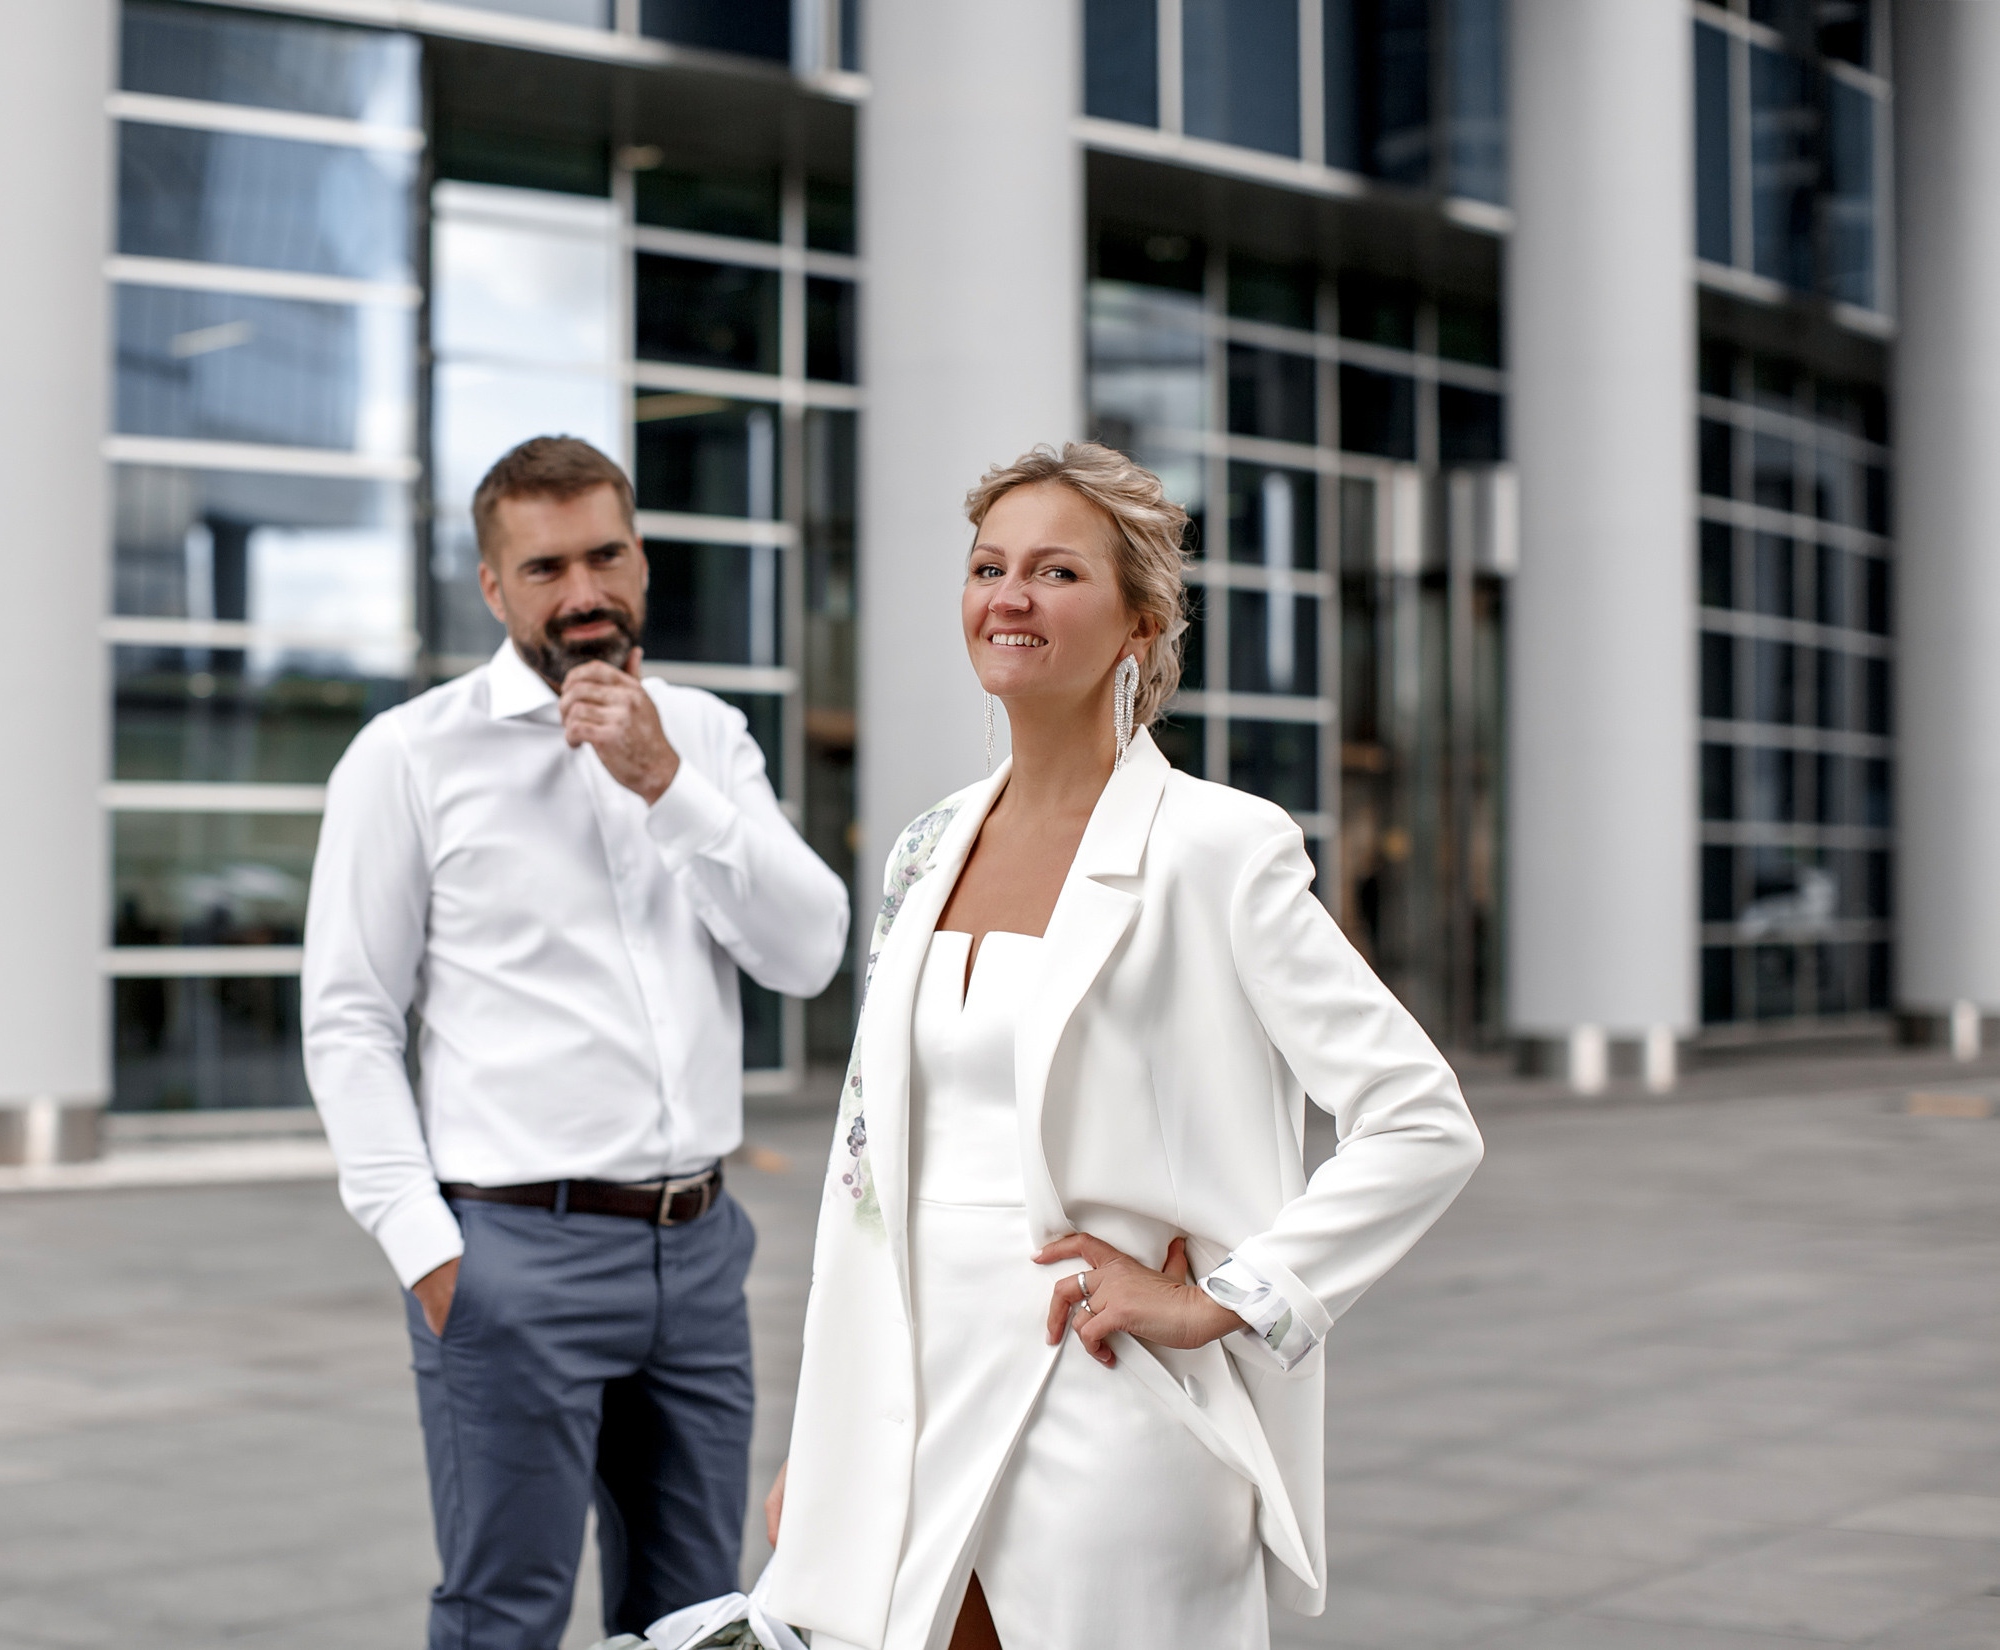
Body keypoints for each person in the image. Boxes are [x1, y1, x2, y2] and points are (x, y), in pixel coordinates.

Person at [753, 443, 1483, 1650]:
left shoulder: (1219, 848)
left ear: (1139, 621)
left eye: (1055, 571)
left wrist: (1232, 1302)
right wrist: (821, 1445)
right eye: (990, 567)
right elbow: (868, 1178)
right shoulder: (925, 847)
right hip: (904, 1414)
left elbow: (1420, 1119)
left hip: (1097, 1406)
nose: (1011, 597)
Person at [301, 436, 850, 1649]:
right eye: (546, 567)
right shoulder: (409, 757)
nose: (584, 590)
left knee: (700, 1615)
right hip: (510, 1255)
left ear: (642, 560)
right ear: (495, 591)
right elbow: (347, 1018)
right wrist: (431, 1254)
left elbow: (810, 952)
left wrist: (666, 783)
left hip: (698, 1254)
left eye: (606, 554)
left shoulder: (703, 736)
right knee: (506, 1611)